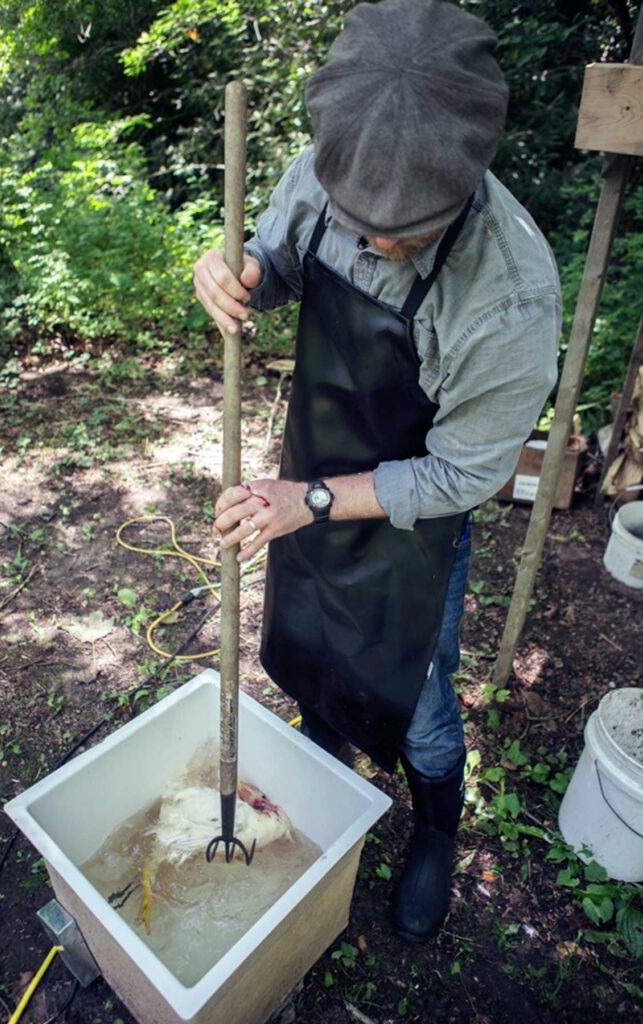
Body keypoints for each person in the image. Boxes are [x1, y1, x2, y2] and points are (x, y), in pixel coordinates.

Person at [194, 0, 561, 942]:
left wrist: (310, 501)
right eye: (357, 219)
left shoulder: (507, 295)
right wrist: (239, 275)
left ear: (465, 181)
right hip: (303, 481)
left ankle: (435, 831)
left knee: (418, 692)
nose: (370, 240)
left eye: (401, 232)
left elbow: (459, 478)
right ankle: (324, 758)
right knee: (310, 644)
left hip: (410, 519)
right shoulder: (325, 173)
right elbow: (277, 258)